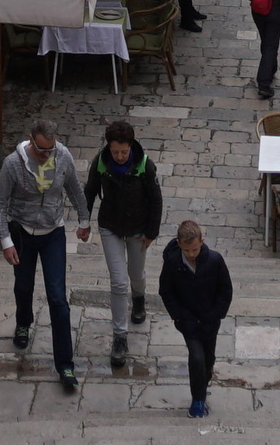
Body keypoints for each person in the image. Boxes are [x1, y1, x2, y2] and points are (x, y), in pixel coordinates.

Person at [0, 117, 84, 394]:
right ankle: (24, 322)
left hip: (53, 232)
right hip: (22, 232)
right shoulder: (13, 163)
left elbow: (74, 187)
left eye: (50, 149)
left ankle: (65, 365)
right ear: (31, 140)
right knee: (24, 285)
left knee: (58, 297)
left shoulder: (63, 156)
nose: (46, 154)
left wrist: (84, 219)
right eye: (41, 150)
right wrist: (6, 241)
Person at [76, 118, 163, 374]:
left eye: (124, 151)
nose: (120, 156)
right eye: (116, 152)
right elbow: (90, 191)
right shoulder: (101, 163)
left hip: (138, 230)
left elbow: (156, 201)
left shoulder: (146, 166)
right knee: (118, 281)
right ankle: (120, 336)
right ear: (109, 147)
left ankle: (139, 299)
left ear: (131, 146)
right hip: (110, 227)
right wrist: (84, 221)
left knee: (136, 275)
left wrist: (151, 233)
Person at [159, 217, 235, 418]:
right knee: (197, 357)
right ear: (179, 245)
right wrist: (180, 317)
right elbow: (166, 292)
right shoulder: (173, 263)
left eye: (194, 250)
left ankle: (203, 381)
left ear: (202, 241)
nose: (191, 254)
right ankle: (198, 399)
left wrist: (214, 315)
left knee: (208, 358)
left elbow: (225, 291)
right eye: (187, 251)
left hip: (210, 321)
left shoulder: (215, 261)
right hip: (188, 321)